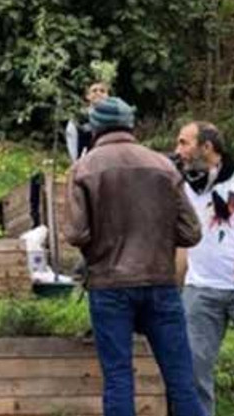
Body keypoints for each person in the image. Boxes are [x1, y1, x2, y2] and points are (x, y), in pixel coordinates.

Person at [64, 97, 204, 416]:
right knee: (181, 380)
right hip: (160, 283)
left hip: (109, 286)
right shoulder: (163, 165)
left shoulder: (83, 168)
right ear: (131, 125)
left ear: (95, 128)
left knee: (118, 379)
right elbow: (191, 233)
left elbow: (76, 233)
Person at [175, 121, 234, 416]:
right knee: (193, 367)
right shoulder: (182, 187)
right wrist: (174, 288)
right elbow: (181, 243)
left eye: (184, 143)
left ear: (207, 147)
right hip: (200, 290)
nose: (178, 151)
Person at [65, 81, 110, 163]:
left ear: (108, 96)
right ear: (87, 96)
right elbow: (73, 148)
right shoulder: (77, 120)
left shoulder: (115, 119)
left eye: (102, 91)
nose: (98, 93)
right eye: (94, 90)